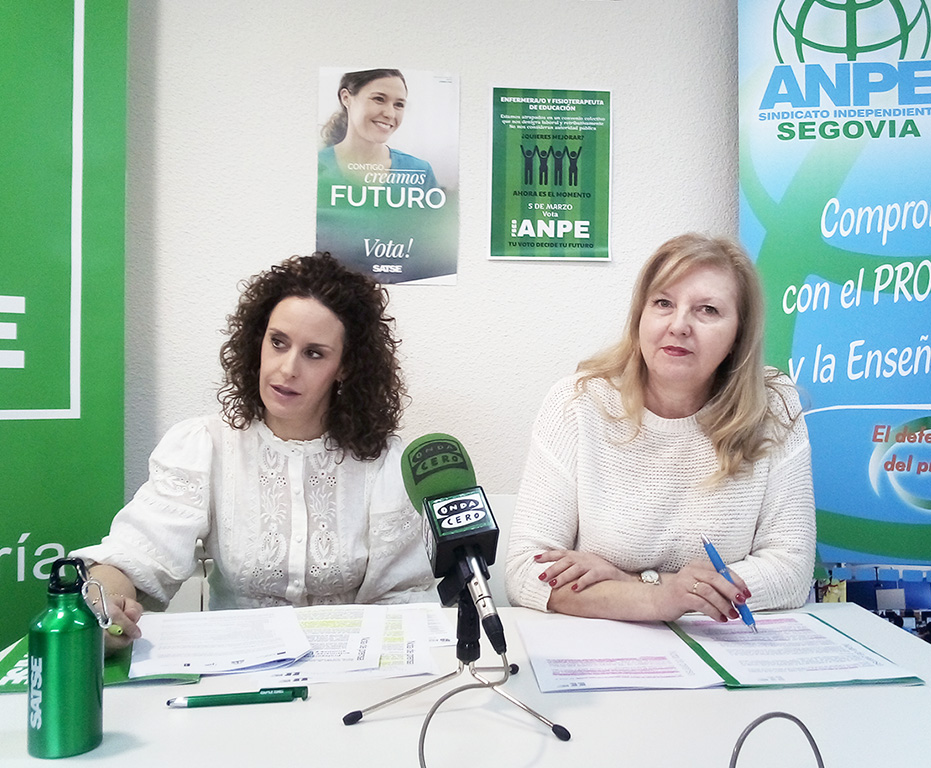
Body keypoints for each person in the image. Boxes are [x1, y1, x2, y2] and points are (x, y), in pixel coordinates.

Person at [74, 253, 435, 651]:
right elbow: (136, 555)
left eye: (314, 353)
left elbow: (405, 598)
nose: (287, 368)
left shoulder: (384, 463)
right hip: (233, 669)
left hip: (349, 672)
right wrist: (106, 602)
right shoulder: (205, 445)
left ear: (346, 367)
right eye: (277, 343)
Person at [505, 233, 816, 625]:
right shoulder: (578, 402)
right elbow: (526, 572)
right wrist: (655, 600)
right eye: (663, 303)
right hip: (603, 644)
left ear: (739, 334)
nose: (679, 325)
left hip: (724, 644)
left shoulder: (772, 405)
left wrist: (637, 582)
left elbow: (790, 571)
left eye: (707, 310)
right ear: (640, 316)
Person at [318, 68, 438, 190]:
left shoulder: (420, 173)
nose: (390, 114)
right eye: (379, 99)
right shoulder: (316, 165)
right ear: (346, 98)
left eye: (399, 104)